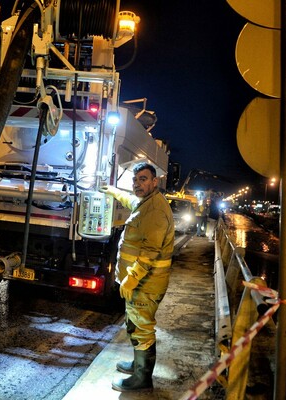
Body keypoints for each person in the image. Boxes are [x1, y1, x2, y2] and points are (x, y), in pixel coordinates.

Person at [100, 162, 175, 392]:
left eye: (143, 179)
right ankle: (138, 364)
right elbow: (130, 201)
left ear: (155, 182)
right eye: (135, 180)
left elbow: (150, 252)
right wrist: (113, 191)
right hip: (142, 283)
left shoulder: (155, 211)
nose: (138, 184)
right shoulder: (145, 203)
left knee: (142, 328)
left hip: (146, 283)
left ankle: (142, 379)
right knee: (134, 323)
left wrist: (132, 278)